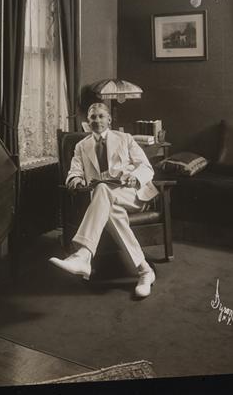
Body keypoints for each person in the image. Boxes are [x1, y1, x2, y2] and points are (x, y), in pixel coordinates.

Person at [49, 102, 158, 298]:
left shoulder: (125, 139)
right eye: (93, 117)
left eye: (101, 116)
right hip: (104, 199)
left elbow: (146, 167)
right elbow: (74, 172)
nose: (97, 120)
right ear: (87, 122)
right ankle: (145, 271)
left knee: (102, 190)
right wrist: (75, 180)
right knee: (109, 204)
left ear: (109, 119)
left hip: (131, 193)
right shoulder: (81, 146)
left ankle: (83, 255)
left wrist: (135, 177)